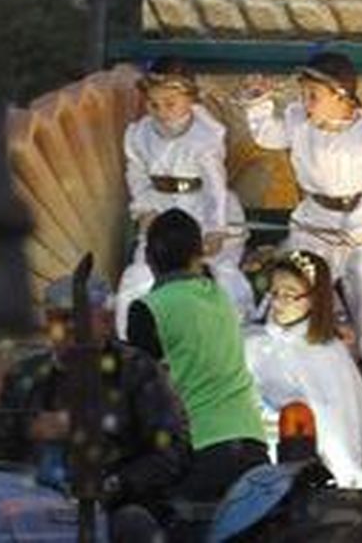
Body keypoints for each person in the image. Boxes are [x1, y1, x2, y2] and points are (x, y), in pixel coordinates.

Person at [0, 271, 191, 541]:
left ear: (106, 321)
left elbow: (171, 454)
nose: (68, 331)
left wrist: (111, 483)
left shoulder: (138, 372)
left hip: (115, 504)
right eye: (58, 319)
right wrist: (29, 431)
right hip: (34, 505)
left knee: (133, 523)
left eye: (77, 320)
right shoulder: (26, 376)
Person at [241, 51, 362, 366]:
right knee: (300, 280)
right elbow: (268, 136)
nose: (305, 103)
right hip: (315, 220)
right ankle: (299, 354)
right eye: (303, 94)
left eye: (313, 96)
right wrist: (258, 103)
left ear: (341, 96)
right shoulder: (299, 119)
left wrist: (352, 231)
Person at [127, 209, 269, 507]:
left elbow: (140, 392)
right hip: (252, 445)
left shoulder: (148, 309)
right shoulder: (219, 296)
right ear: (199, 255)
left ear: (148, 258)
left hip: (198, 450)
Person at [117, 58, 253, 335]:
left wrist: (215, 227)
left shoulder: (205, 136)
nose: (161, 112)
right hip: (161, 208)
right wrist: (144, 207)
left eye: (170, 103)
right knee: (141, 273)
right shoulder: (139, 133)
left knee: (216, 269)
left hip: (201, 207)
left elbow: (215, 185)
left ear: (190, 99)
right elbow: (137, 173)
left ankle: (232, 334)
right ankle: (132, 337)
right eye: (153, 104)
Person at [244, 250, 362, 486]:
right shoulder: (251, 342)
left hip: (303, 468)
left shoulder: (327, 354)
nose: (278, 302)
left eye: (290, 295)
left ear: (314, 299)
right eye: (274, 293)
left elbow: (337, 431)